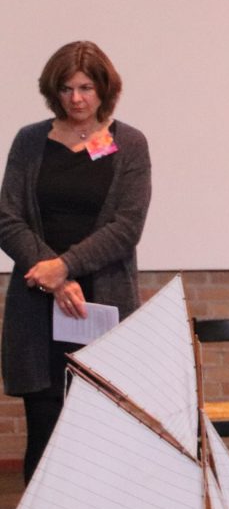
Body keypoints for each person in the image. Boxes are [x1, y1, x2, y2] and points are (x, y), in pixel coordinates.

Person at [0, 41, 152, 482]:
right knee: (44, 434)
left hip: (101, 306)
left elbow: (126, 227)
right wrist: (54, 277)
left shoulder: (129, 144)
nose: (77, 99)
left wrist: (64, 266)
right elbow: (7, 218)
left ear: (104, 89)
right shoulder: (30, 142)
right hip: (38, 305)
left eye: (86, 88)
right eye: (66, 89)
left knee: (103, 436)